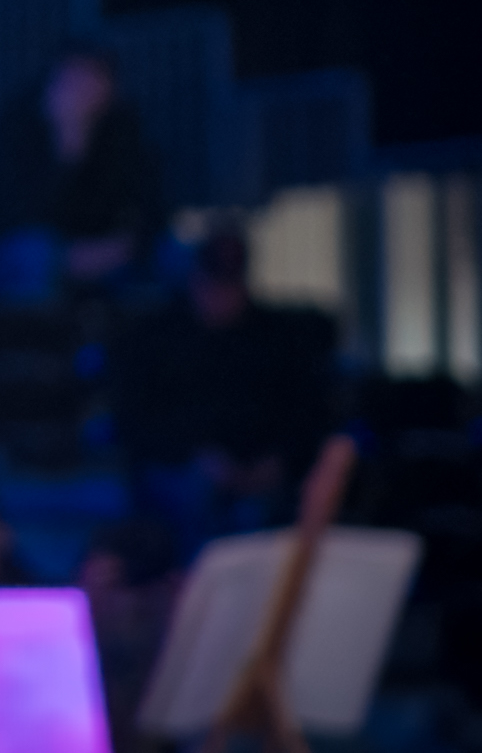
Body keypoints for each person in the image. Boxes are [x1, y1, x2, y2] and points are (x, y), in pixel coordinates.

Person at [112, 223, 337, 555]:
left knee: (263, 513)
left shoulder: (277, 338)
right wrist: (195, 457)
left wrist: (277, 463)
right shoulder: (154, 338)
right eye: (212, 285)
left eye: (231, 286)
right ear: (195, 280)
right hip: (183, 468)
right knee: (196, 498)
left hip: (259, 471)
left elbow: (306, 415)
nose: (221, 297)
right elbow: (134, 422)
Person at [0, 41, 164, 294]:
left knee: (174, 256)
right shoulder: (14, 128)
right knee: (37, 255)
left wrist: (125, 247)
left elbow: (150, 205)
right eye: (73, 79)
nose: (83, 90)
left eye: (94, 77)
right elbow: (20, 217)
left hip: (106, 250)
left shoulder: (124, 130)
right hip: (22, 250)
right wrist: (69, 147)